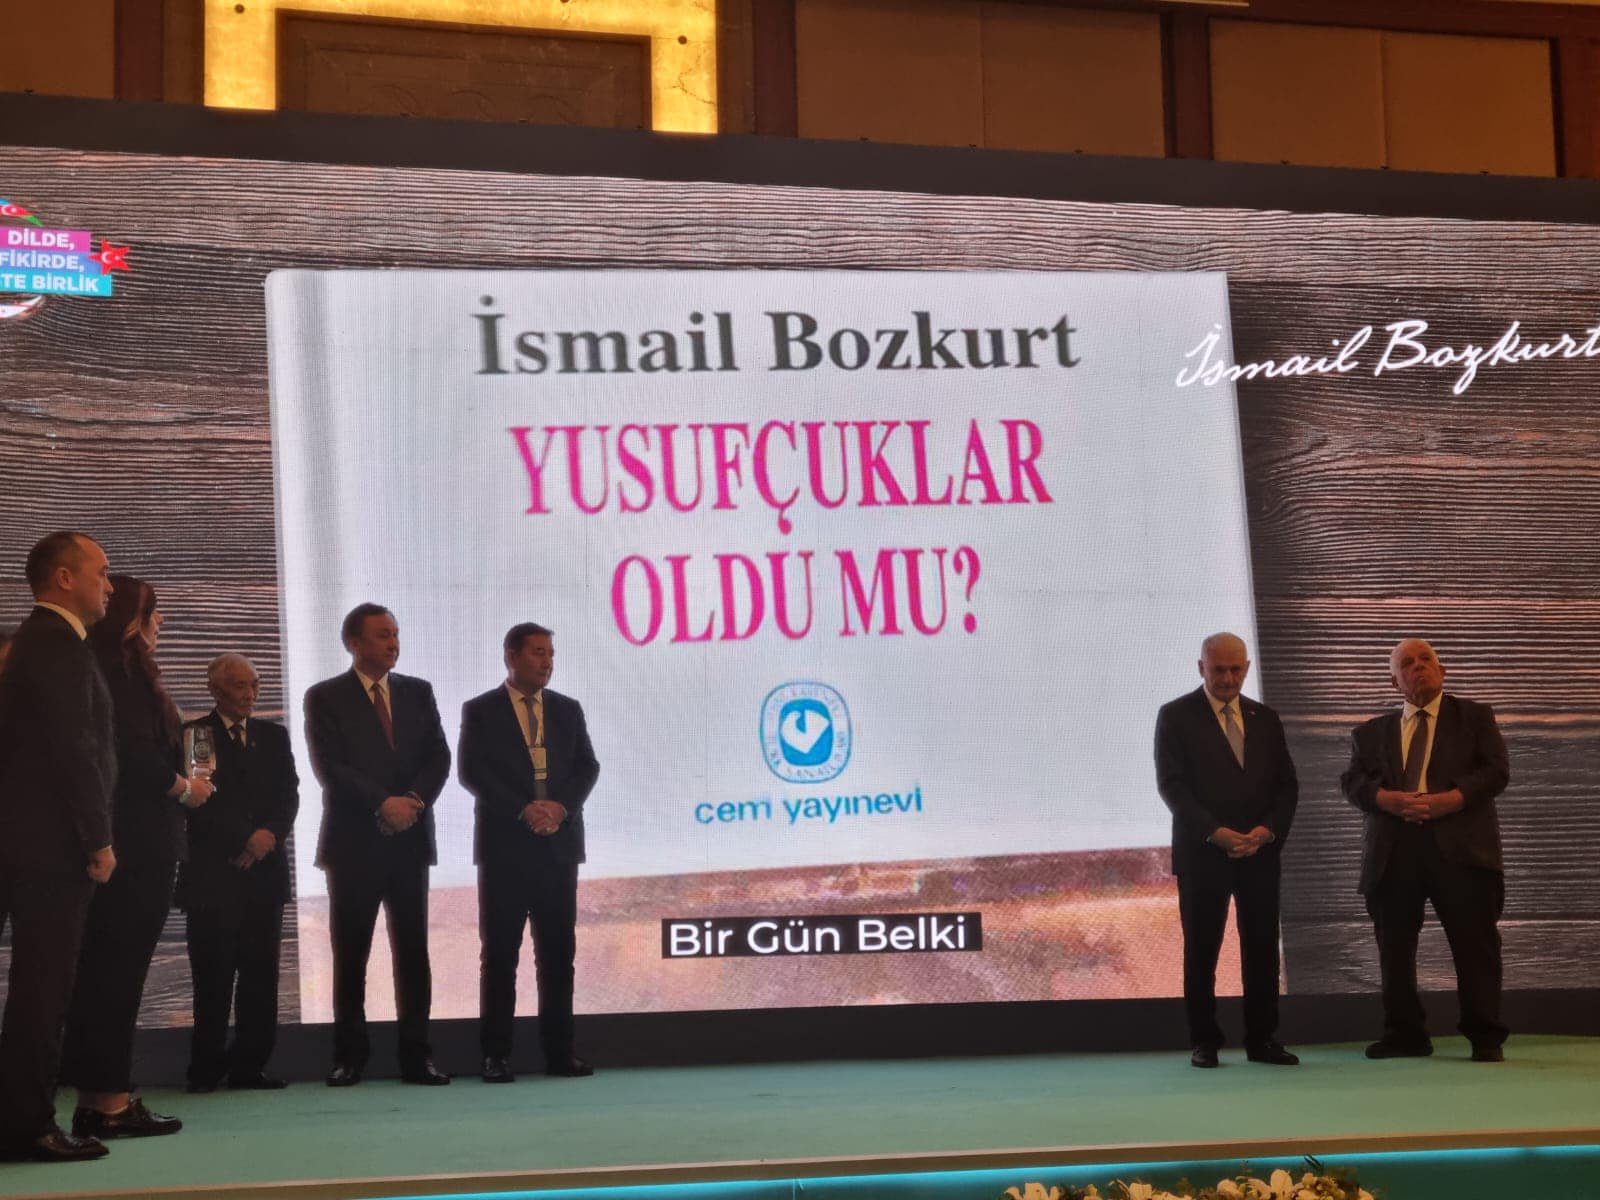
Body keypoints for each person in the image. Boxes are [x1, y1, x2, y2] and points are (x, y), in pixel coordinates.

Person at [60, 576, 211, 1141]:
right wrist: (186, 789)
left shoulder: (111, 672)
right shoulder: (120, 677)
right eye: (153, 612)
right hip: (136, 846)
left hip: (131, 845)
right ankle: (109, 1102)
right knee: (116, 976)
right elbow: (134, 758)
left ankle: (100, 1098)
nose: (161, 622)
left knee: (108, 975)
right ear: (131, 622)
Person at [0, 533, 116, 1162]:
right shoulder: (56, 643)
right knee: (42, 992)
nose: (109, 585)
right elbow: (76, 750)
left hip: (26, 841)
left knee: (35, 991)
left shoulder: (35, 641)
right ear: (65, 578)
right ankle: (27, 1126)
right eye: (101, 572)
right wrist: (97, 837)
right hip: (49, 848)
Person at [1341, 638, 1511, 1062]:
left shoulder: (1474, 716)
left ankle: (1485, 1037)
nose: (1418, 667)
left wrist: (1450, 800)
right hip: (1393, 851)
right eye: (1407, 663)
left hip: (1462, 849)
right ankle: (1405, 1035)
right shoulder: (1369, 733)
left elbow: (1496, 771)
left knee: (1475, 946)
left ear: (1443, 670)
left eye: (1426, 660)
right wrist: (1385, 799)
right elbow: (1353, 783)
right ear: (1394, 681)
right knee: (1394, 950)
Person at [304, 603, 450, 1086]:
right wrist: (382, 804)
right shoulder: (325, 696)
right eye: (382, 635)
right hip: (354, 845)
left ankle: (417, 1056)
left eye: (395, 634)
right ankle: (349, 1056)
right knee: (351, 955)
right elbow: (330, 766)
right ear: (354, 643)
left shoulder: (417, 691)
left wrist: (411, 802)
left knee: (413, 953)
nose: (393, 643)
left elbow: (438, 757)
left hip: (410, 841)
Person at [459, 623, 599, 1083]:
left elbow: (587, 767)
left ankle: (560, 1053)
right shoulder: (481, 710)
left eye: (551, 654)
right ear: (512, 656)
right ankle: (496, 1056)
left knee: (558, 955)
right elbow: (472, 771)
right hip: (505, 850)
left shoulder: (567, 709)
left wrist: (560, 807)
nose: (547, 662)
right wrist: (523, 810)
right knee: (500, 956)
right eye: (538, 652)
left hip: (558, 849)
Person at [1154, 632, 1299, 1069]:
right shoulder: (1175, 716)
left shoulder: (1266, 718)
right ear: (1201, 667)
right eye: (1219, 669)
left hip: (1260, 854)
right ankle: (1205, 1041)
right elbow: (1172, 787)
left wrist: (1267, 831)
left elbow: (1287, 786)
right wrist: (1215, 832)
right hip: (1202, 854)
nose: (1228, 678)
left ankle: (1263, 1039)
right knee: (1202, 950)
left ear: (1247, 668)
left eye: (1236, 669)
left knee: (1262, 948)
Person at [178, 653, 299, 1092]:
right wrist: (244, 840)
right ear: (215, 689)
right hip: (215, 875)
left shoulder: (273, 735)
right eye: (239, 686)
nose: (250, 694)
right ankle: (206, 1068)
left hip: (265, 874)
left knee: (261, 975)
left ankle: (251, 1066)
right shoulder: (197, 734)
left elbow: (289, 794)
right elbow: (201, 800)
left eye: (254, 685)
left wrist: (268, 836)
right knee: (212, 976)